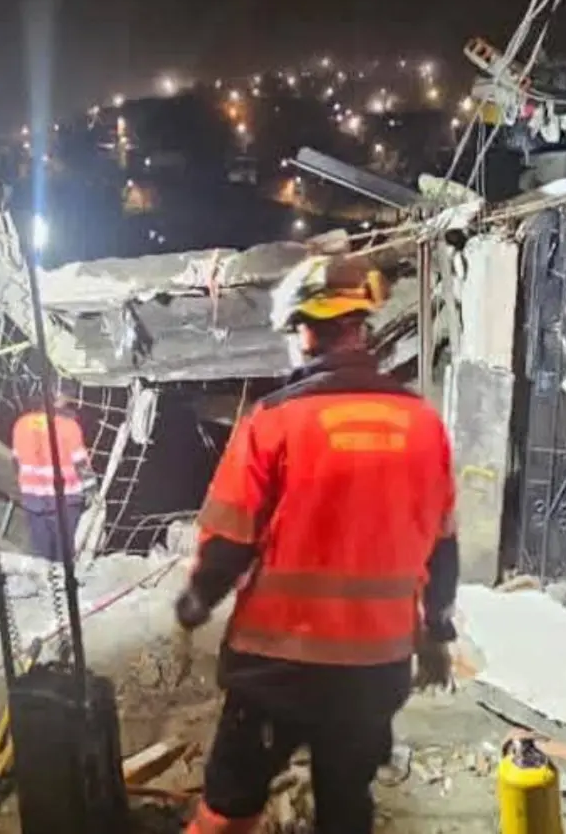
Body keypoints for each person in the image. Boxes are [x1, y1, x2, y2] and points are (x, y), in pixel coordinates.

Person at [174, 253, 459, 834]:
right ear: (361, 328)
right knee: (346, 803)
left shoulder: (273, 421)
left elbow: (229, 541)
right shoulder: (424, 424)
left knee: (230, 805)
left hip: (277, 665)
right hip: (376, 667)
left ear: (305, 332)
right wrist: (436, 632)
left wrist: (196, 601)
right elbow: (443, 549)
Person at [11, 393, 95, 562]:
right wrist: (92, 491)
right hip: (65, 500)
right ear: (57, 400)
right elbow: (81, 464)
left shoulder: (21, 424)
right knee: (64, 555)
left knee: (41, 555)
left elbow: (16, 461)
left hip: (33, 498)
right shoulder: (68, 426)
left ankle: (43, 576)